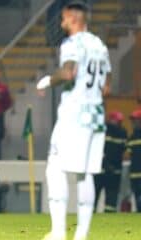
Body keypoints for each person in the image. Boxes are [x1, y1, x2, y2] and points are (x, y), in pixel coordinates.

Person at [36, 2, 111, 240]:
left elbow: (69, 72)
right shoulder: (100, 45)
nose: (61, 23)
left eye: (64, 19)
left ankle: (58, 232)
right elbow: (107, 87)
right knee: (85, 173)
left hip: (75, 113)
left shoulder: (72, 43)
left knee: (55, 168)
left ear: (72, 18)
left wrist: (47, 80)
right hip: (97, 115)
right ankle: (82, 234)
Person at [94, 111, 127, 212]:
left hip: (106, 170)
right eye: (118, 121)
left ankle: (108, 214)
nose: (119, 123)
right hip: (106, 170)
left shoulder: (105, 132)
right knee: (96, 195)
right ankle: (91, 214)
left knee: (110, 198)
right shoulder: (120, 133)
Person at [128, 109, 141, 212]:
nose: (133, 123)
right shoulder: (132, 137)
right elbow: (127, 155)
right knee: (137, 199)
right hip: (135, 174)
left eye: (136, 120)